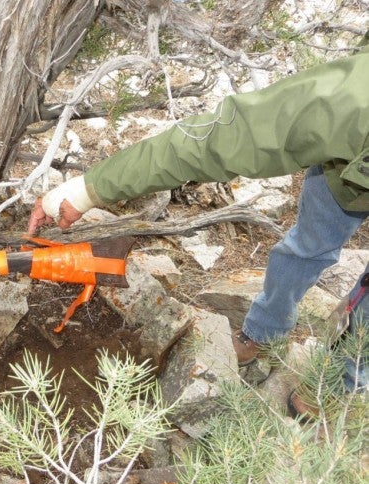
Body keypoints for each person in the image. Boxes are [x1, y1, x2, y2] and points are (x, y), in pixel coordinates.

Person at [28, 45, 368, 419]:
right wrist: (86, 191)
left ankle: (341, 380)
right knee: (306, 248)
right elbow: (219, 140)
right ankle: (266, 331)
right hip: (348, 179)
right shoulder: (353, 103)